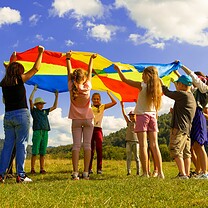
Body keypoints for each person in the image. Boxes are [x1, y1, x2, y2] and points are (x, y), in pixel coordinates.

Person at [0, 45, 44, 183]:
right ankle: (21, 175)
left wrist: (12, 58)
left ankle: (1, 175)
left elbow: (9, 70)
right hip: (21, 115)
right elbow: (36, 68)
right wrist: (40, 53)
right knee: (21, 144)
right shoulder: (19, 80)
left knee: (7, 146)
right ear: (18, 72)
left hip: (8, 116)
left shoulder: (4, 83)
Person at [115, 64, 164, 178]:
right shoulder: (158, 88)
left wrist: (119, 70)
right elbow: (159, 80)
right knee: (154, 145)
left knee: (143, 145)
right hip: (153, 116)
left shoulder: (142, 85)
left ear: (148, 75)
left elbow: (125, 80)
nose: (142, 76)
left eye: (143, 74)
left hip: (142, 116)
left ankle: (145, 173)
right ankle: (160, 172)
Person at [66, 50, 97, 180]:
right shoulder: (88, 86)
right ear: (84, 79)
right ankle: (85, 173)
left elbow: (68, 72)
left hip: (76, 120)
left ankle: (74, 173)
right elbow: (90, 71)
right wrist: (91, 59)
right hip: (88, 119)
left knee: (76, 146)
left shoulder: (71, 86)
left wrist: (68, 58)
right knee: (87, 146)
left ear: (74, 78)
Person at [161, 74, 196, 179]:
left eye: (177, 83)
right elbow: (185, 113)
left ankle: (182, 174)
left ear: (182, 84)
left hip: (179, 128)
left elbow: (167, 92)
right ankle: (186, 174)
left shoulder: (183, 94)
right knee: (186, 153)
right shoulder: (191, 97)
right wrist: (174, 113)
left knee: (175, 149)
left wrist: (161, 83)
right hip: (186, 129)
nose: (176, 85)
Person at [29, 85, 58, 174]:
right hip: (37, 132)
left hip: (45, 132)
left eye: (42, 104)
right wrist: (34, 91)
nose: (41, 105)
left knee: (43, 152)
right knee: (35, 151)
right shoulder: (34, 111)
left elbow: (54, 107)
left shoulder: (45, 111)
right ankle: (32, 169)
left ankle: (42, 169)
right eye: (40, 103)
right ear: (36, 104)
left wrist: (56, 97)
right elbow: (30, 100)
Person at [89, 91, 117, 174]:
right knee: (90, 150)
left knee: (99, 149)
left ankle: (99, 169)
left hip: (98, 129)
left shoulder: (102, 107)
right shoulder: (89, 107)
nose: (96, 100)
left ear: (100, 99)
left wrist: (109, 93)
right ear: (92, 99)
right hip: (90, 129)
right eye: (94, 99)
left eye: (97, 99)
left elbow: (114, 102)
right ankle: (89, 168)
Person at [120, 101, 140, 176]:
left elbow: (139, 112)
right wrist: (122, 107)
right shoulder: (128, 123)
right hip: (128, 142)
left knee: (137, 157)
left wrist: (137, 103)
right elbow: (124, 115)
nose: (131, 117)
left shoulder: (138, 122)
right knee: (128, 158)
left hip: (136, 142)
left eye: (133, 116)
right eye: (130, 116)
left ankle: (138, 172)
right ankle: (129, 172)